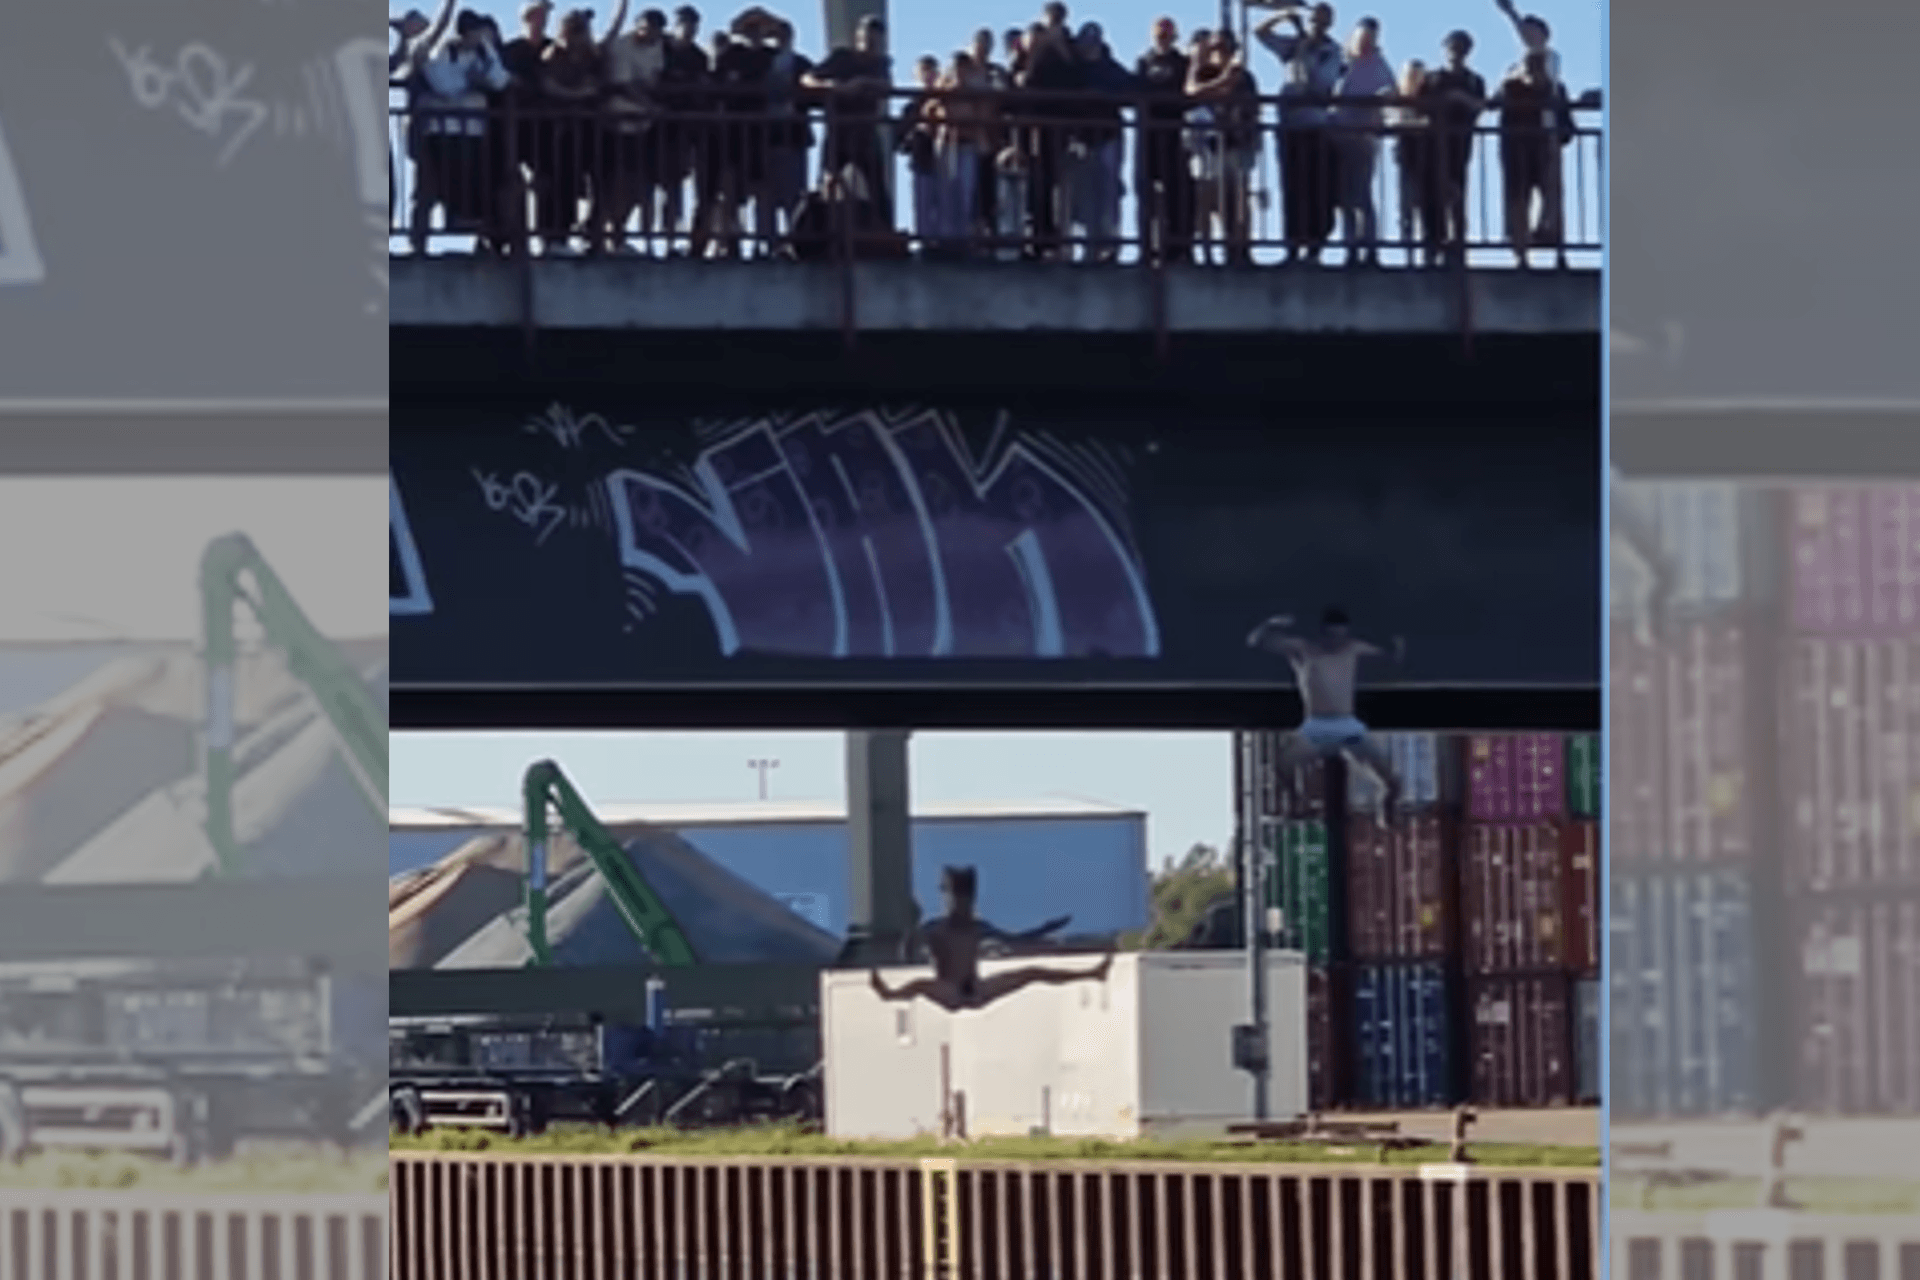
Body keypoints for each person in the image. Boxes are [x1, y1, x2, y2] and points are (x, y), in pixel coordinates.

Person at [869, 866, 1111, 1014]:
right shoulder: (935, 928)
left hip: (975, 988)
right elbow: (906, 952)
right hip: (949, 989)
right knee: (921, 984)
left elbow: (1014, 940)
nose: (964, 905)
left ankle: (1092, 973)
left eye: (967, 900)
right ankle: (889, 994)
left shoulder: (977, 927)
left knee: (1031, 972)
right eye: (957, 899)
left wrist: (1044, 930)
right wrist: (911, 929)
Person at [1245, 606, 1406, 817]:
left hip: (1347, 726)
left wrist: (1398, 647)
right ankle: (1295, 800)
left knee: (1393, 782)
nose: (1337, 644)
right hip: (1317, 727)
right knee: (1281, 766)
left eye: (1341, 637)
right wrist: (1272, 623)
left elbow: (1389, 655)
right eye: (1332, 637)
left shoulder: (1352, 647)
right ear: (1323, 633)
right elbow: (1257, 641)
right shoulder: (1303, 649)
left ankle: (1386, 801)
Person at [1254, 2, 1345, 264]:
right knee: (1291, 188)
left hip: (1316, 126)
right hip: (1290, 127)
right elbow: (1260, 33)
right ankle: (1292, 244)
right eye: (1313, 20)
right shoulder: (1292, 46)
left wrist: (1305, 50)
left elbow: (1317, 86)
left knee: (1316, 187)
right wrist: (1282, 16)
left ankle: (1315, 245)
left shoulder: (1332, 51)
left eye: (1322, 21)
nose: (1316, 25)